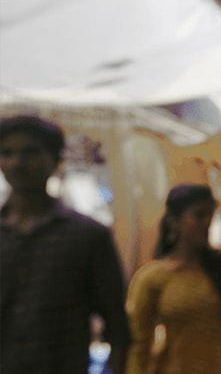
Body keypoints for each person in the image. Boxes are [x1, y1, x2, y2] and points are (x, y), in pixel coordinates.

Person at [0, 115, 130, 373]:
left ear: (55, 161)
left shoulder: (88, 236)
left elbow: (116, 324)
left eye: (30, 152)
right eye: (7, 153)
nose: (17, 163)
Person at [126, 184, 221, 374]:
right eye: (199, 215)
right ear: (175, 221)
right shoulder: (151, 278)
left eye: (210, 215)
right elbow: (139, 346)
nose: (207, 222)